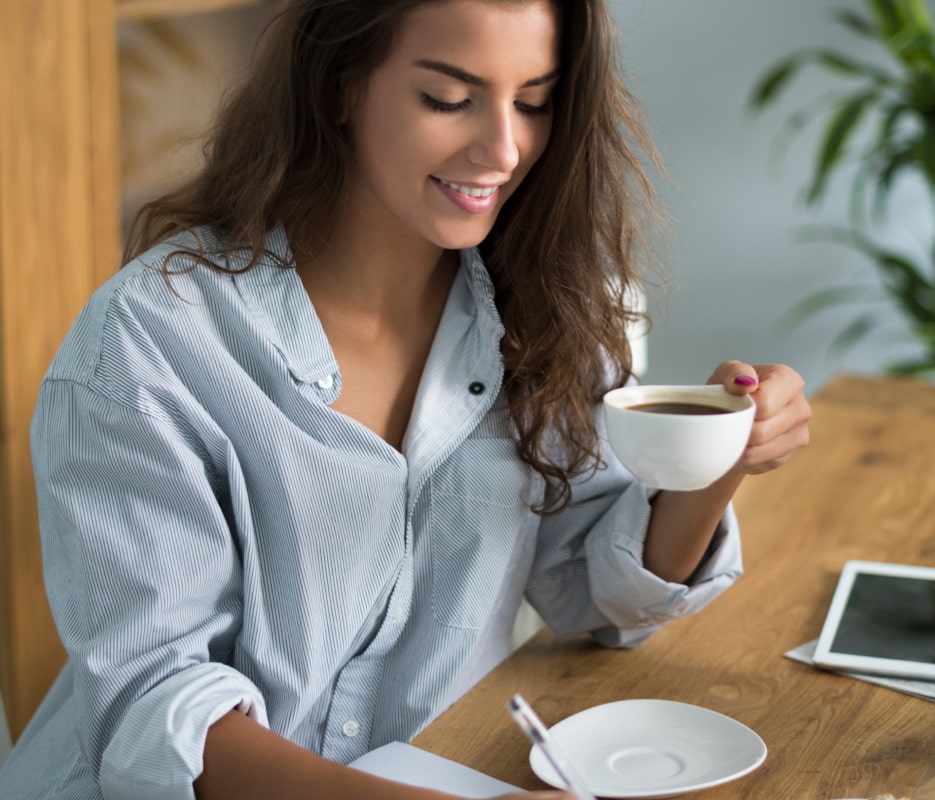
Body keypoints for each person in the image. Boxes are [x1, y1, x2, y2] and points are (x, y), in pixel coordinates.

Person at [0, 0, 811, 798]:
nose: (503, 149)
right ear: (340, 86)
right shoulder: (150, 339)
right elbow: (157, 714)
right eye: (448, 98)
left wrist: (722, 452)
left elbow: (598, 592)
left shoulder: (545, 312)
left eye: (534, 102)